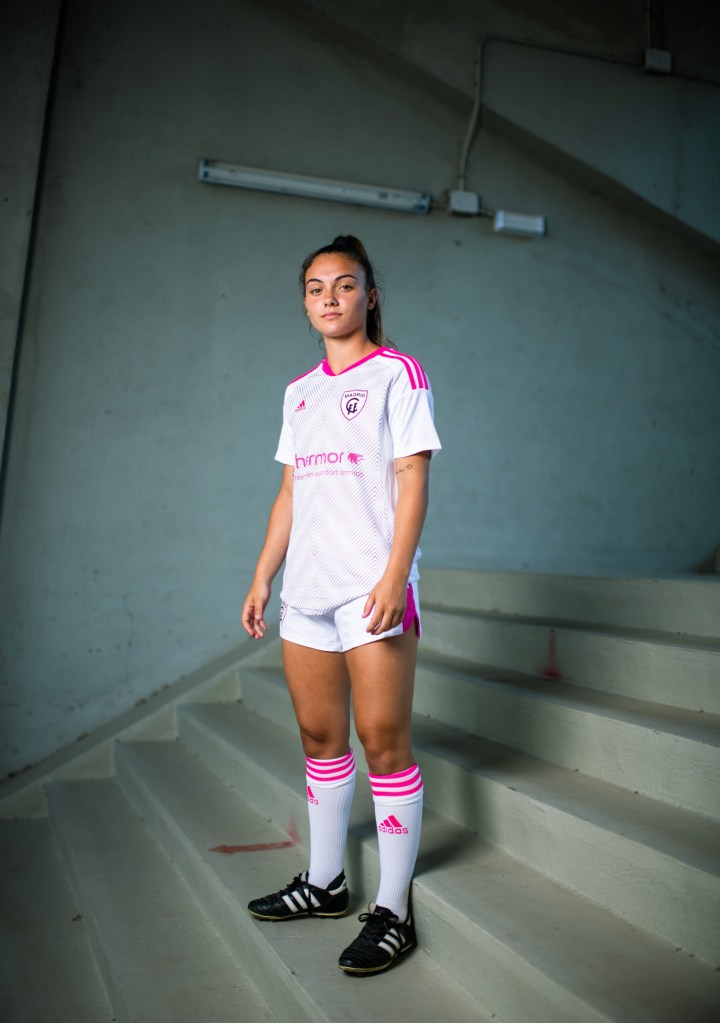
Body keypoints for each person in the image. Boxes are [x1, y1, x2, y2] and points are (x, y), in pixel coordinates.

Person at [241, 234, 441, 975]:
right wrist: (263, 576)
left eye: (345, 285)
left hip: (370, 586)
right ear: (305, 303)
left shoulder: (398, 373)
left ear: (370, 296)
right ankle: (325, 882)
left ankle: (393, 909)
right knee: (319, 737)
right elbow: (290, 492)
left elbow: (413, 479)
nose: (330, 298)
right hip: (308, 590)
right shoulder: (299, 391)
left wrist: (395, 576)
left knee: (382, 742)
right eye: (316, 288)